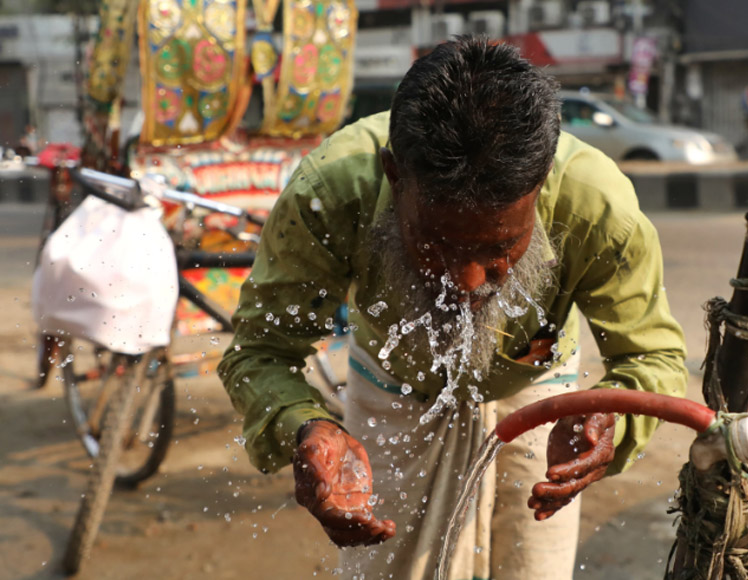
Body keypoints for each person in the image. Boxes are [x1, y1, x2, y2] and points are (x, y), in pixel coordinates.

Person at [217, 36, 688, 579]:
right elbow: (259, 352)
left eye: (499, 249)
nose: (466, 282)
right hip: (393, 384)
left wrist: (616, 418)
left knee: (533, 569)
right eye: (437, 244)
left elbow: (654, 358)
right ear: (394, 178)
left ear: (540, 188)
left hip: (539, 388)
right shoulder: (329, 193)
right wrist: (306, 426)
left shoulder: (597, 207)